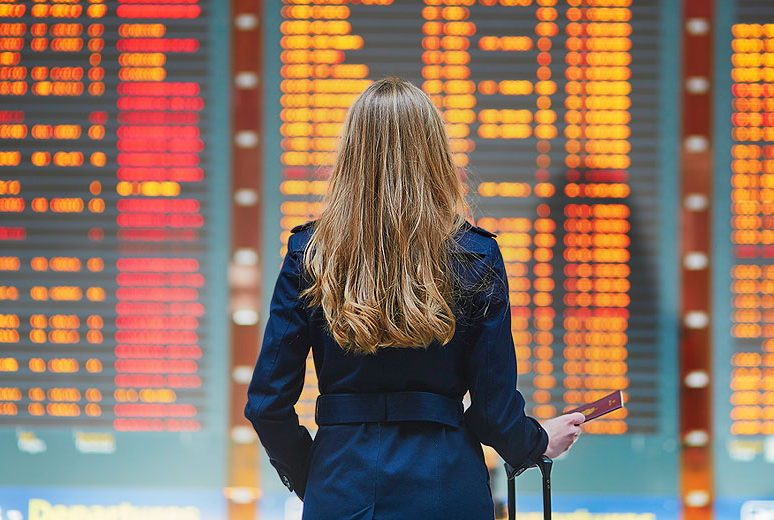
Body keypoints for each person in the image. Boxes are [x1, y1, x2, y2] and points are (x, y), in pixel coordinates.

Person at [244, 77, 585, 520]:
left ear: (350, 156)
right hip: (447, 489)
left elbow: (267, 403)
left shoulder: (310, 253)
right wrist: (537, 441)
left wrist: (316, 479)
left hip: (339, 486)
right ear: (435, 154)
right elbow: (492, 410)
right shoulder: (476, 255)